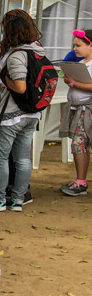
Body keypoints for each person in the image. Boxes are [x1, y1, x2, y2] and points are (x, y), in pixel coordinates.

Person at [0, 10, 45, 212]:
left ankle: (0, 199)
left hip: (12, 114)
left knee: (0, 157)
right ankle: (19, 199)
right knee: (22, 158)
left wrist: (0, 75)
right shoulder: (38, 51)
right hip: (32, 113)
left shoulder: (15, 56)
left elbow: (18, 87)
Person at [60, 28, 92, 196]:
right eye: (74, 46)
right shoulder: (80, 64)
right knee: (81, 144)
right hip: (78, 108)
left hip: (87, 109)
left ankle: (81, 182)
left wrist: (73, 83)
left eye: (79, 45)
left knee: (78, 144)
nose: (75, 49)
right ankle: (81, 180)